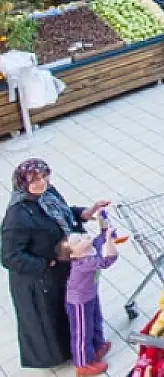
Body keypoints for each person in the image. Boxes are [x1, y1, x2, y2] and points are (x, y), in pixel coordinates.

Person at [2, 159, 109, 369]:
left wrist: (83, 213)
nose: (42, 183)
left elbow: (62, 213)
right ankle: (79, 360)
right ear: (22, 183)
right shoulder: (17, 215)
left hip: (62, 268)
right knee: (53, 318)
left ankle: (88, 347)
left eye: (44, 176)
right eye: (35, 180)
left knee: (75, 310)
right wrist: (46, 263)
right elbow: (9, 256)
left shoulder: (49, 194)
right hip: (40, 278)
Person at [59, 215, 118, 376]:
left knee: (96, 320)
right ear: (73, 254)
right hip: (78, 302)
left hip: (90, 294)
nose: (84, 239)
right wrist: (111, 242)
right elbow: (108, 260)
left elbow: (101, 236)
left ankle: (97, 347)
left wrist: (102, 221)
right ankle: (83, 364)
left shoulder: (90, 251)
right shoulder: (83, 263)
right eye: (77, 242)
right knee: (82, 331)